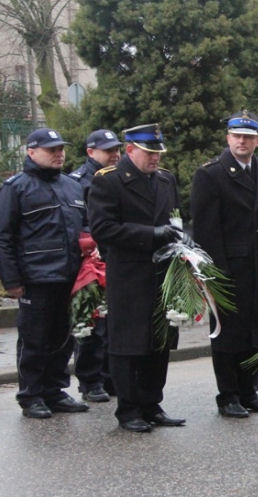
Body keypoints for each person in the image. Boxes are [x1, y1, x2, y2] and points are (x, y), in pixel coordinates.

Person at [87, 123, 187, 433]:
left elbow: (177, 219)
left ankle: (151, 403)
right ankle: (128, 409)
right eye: (149, 152)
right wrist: (150, 234)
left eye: (158, 152)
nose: (155, 158)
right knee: (128, 345)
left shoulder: (166, 180)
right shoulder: (109, 181)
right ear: (130, 150)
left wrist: (185, 241)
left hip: (163, 273)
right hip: (130, 273)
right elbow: (103, 229)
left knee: (159, 343)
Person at [0, 127, 89, 418]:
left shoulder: (72, 186)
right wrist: (12, 281)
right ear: (31, 152)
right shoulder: (15, 188)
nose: (59, 154)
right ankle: (31, 394)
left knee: (63, 337)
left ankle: (54, 390)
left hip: (70, 276)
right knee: (35, 338)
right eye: (51, 149)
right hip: (35, 278)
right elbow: (0, 237)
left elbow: (85, 225)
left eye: (61, 149)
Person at [190, 110, 258, 418]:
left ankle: (249, 390)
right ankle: (228, 394)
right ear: (228, 138)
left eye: (248, 137)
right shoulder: (211, 174)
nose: (242, 141)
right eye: (237, 136)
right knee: (228, 334)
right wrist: (215, 274)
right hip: (229, 267)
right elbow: (205, 229)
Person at [70, 129, 123, 402]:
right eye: (107, 150)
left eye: (116, 149)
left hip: (115, 259)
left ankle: (111, 377)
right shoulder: (79, 182)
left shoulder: (120, 177)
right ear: (91, 152)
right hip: (91, 263)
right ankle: (91, 381)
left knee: (114, 323)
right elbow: (76, 221)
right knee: (93, 323)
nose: (114, 155)